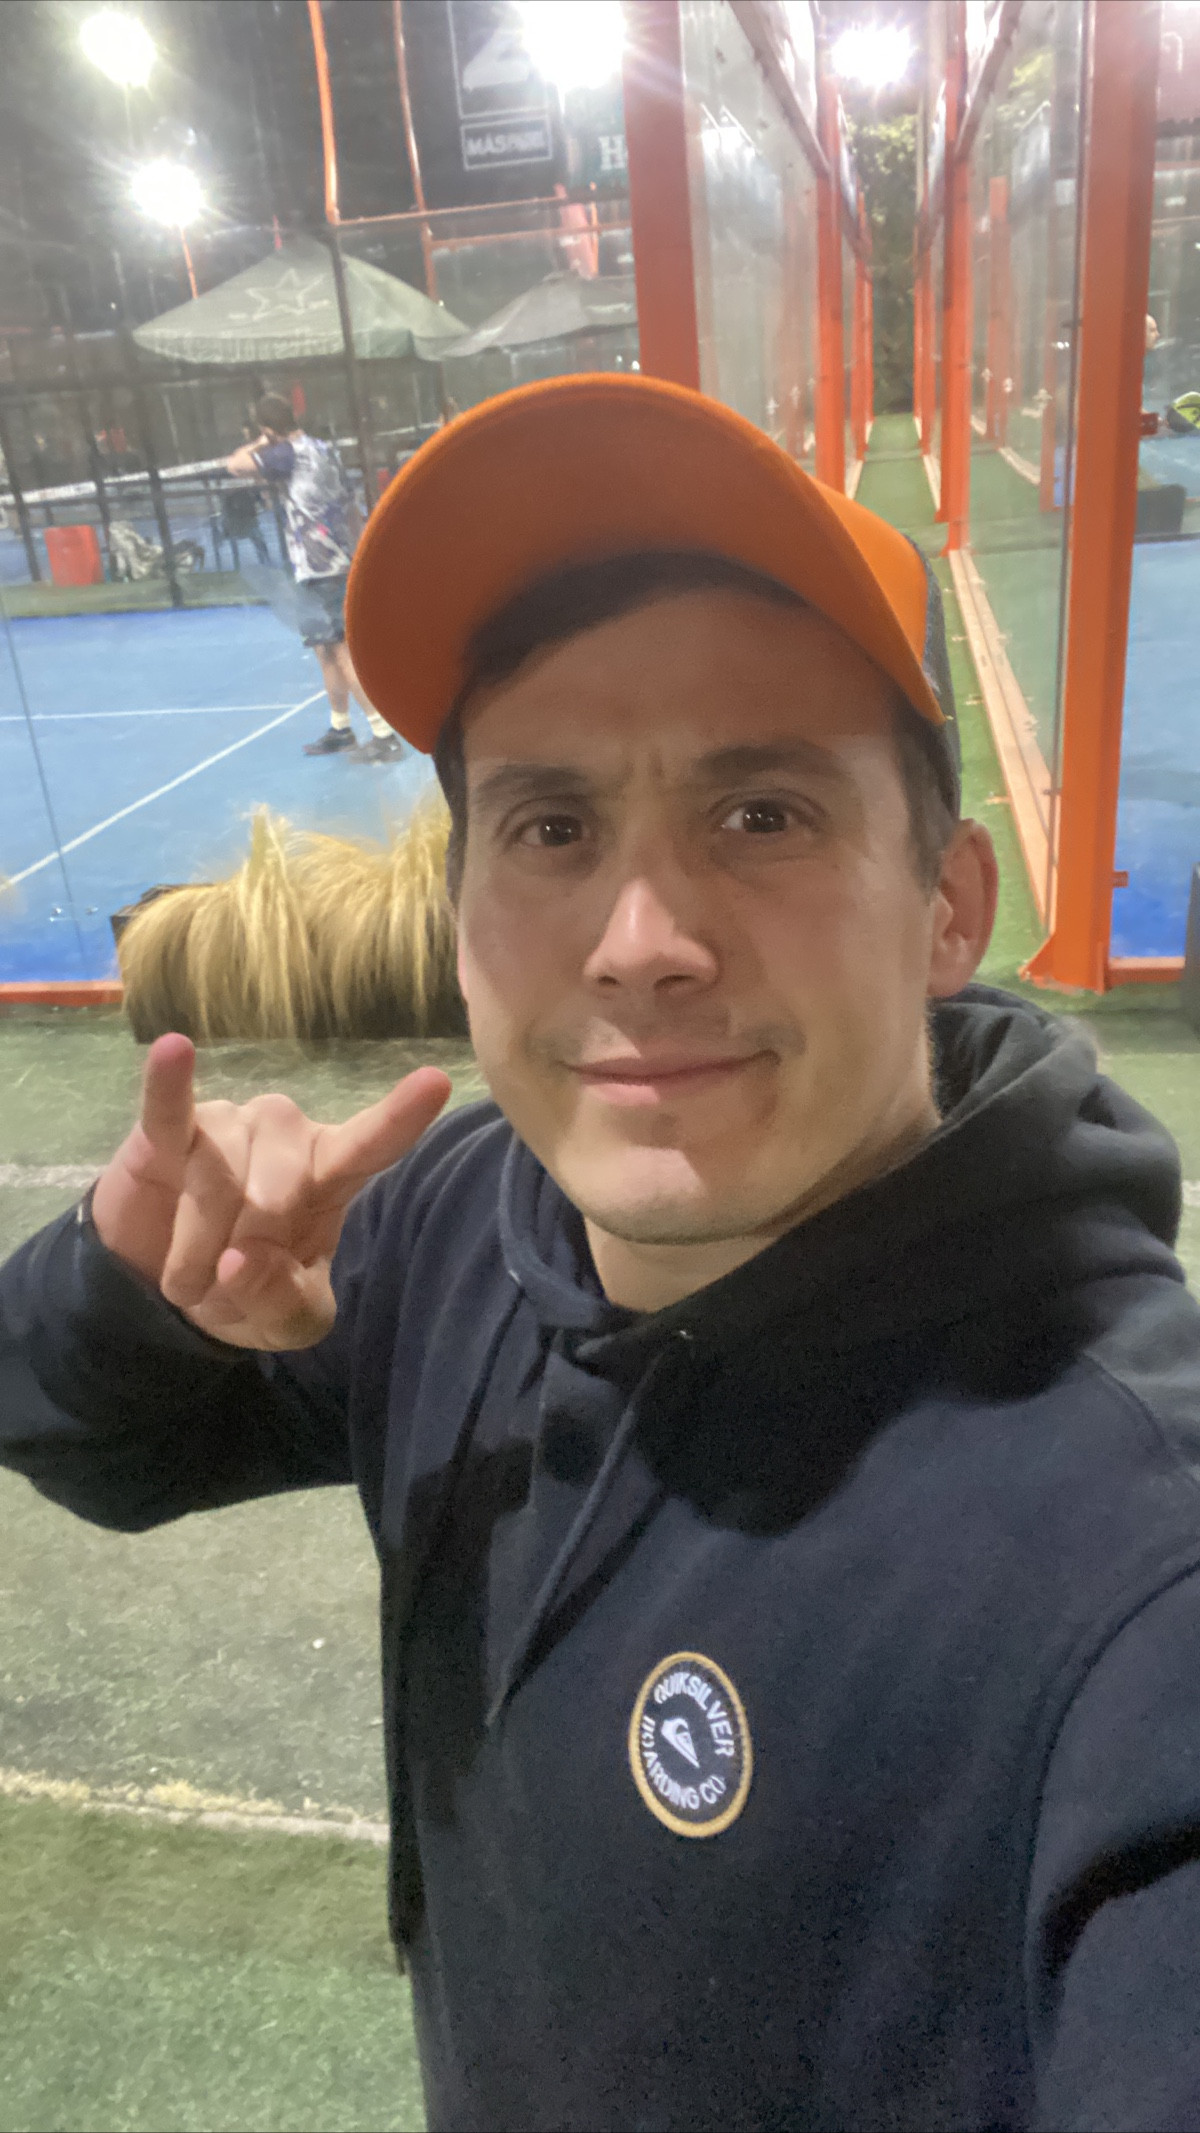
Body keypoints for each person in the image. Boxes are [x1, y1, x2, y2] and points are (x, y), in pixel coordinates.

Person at [4, 372, 1200, 2131]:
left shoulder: (1135, 1561)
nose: (641, 940)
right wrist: (133, 1290)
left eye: (762, 813)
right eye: (553, 828)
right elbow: (82, 1437)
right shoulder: (454, 1224)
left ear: (948, 904)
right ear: (462, 913)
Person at [226, 393, 403, 763]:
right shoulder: (324, 450)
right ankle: (341, 728)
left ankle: (384, 735)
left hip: (320, 566)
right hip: (334, 560)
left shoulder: (286, 453)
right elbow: (350, 504)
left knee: (340, 651)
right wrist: (360, 548)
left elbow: (235, 465)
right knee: (325, 650)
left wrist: (260, 442)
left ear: (268, 429)